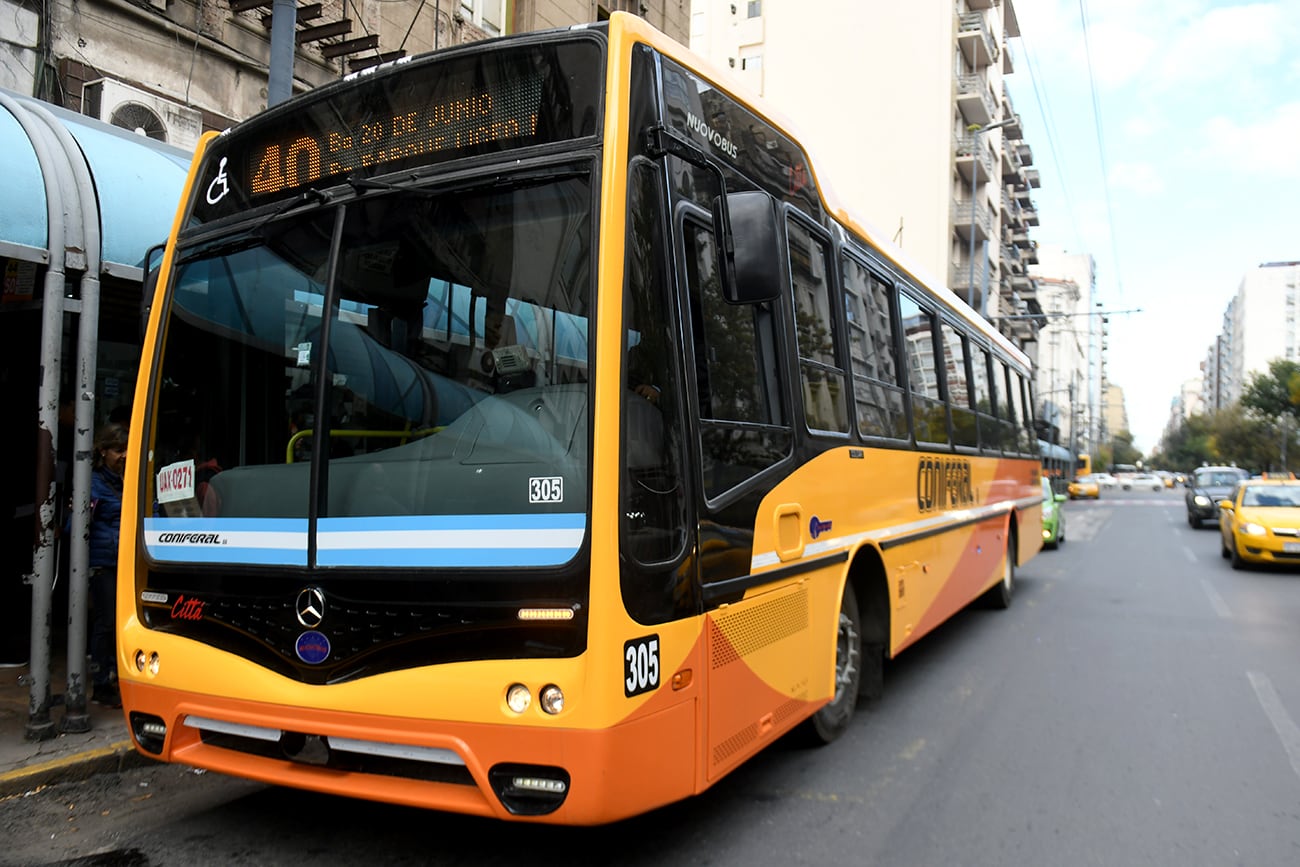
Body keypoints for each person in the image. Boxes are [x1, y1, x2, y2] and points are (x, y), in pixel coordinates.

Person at [88, 422, 128, 707]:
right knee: (107, 621)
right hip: (105, 562)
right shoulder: (92, 482)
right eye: (118, 449)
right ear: (103, 451)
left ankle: (119, 678)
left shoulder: (130, 479)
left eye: (127, 448)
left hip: (128, 561)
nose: (124, 455)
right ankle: (101, 683)